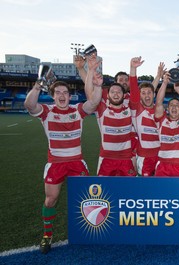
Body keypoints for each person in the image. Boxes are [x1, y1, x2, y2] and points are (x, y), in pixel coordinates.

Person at [24, 57, 103, 254]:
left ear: (70, 96)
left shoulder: (77, 110)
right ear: (52, 95)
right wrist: (37, 85)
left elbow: (93, 102)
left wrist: (96, 82)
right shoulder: (46, 112)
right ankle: (47, 235)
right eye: (58, 92)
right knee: (50, 200)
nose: (62, 95)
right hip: (56, 163)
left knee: (86, 199)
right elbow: (29, 105)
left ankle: (89, 233)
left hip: (77, 162)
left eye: (65, 93)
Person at [129, 58, 163, 176]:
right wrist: (133, 69)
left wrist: (159, 76)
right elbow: (133, 89)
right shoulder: (137, 110)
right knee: (146, 188)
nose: (147, 95)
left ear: (154, 94)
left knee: (160, 188)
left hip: (161, 156)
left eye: (149, 93)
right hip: (145, 158)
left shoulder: (160, 110)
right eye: (143, 93)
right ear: (139, 96)